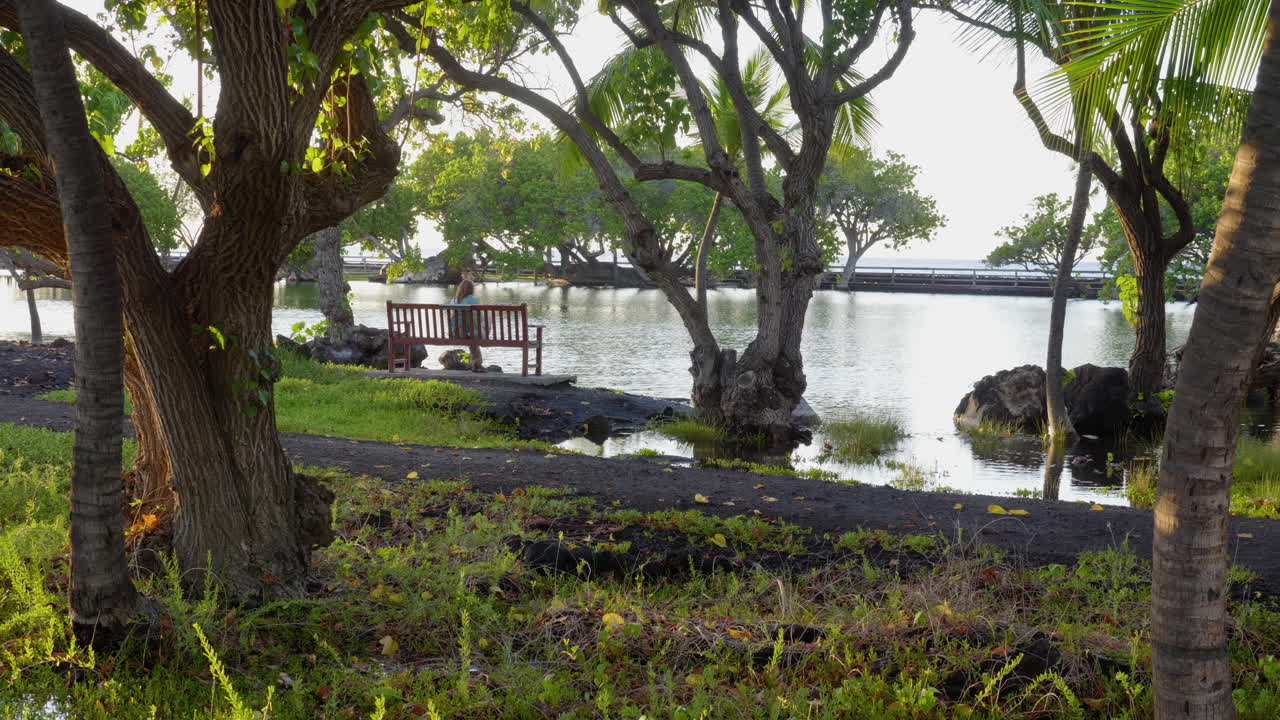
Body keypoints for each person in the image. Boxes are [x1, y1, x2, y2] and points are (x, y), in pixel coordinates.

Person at [449, 279, 484, 371]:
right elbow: (479, 316)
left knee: (471, 337)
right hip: (471, 332)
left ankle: (476, 364)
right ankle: (477, 363)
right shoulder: (474, 299)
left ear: (459, 289)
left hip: (457, 333)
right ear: (472, 289)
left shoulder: (454, 300)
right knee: (474, 333)